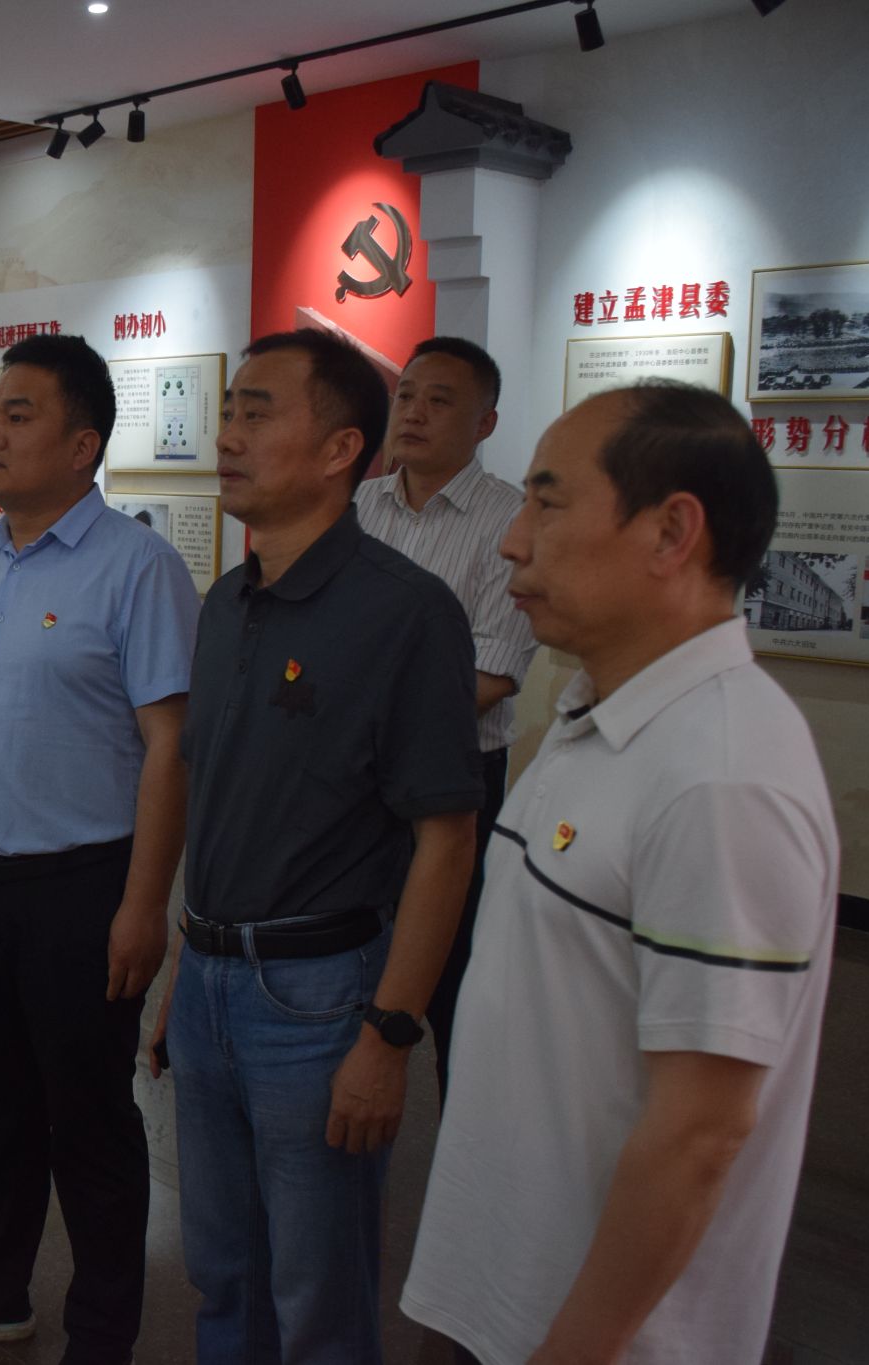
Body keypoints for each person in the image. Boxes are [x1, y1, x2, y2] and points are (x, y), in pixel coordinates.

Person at [401, 383, 839, 1365]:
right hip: (494, 1292)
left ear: (670, 531)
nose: (511, 541)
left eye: (547, 503)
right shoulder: (596, 714)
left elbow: (700, 1134)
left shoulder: (721, 776)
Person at [157, 329, 482, 1363]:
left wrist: (388, 1035)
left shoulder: (405, 613)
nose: (227, 436)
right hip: (209, 978)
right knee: (220, 1270)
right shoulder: (227, 602)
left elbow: (446, 839)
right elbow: (217, 801)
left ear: (342, 449)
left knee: (316, 1293)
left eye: (256, 414)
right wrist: (186, 965)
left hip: (317, 998)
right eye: (228, 412)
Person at [0, 333, 196, 1365]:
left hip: (80, 889)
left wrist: (143, 906)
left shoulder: (138, 568)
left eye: (17, 415)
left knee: (89, 1124)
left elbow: (169, 746)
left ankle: (102, 1329)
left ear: (82, 445)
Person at [354, 336, 539, 1098]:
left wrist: (357, 714)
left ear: (485, 423)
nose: (415, 413)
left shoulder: (511, 522)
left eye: (440, 401)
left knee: (456, 975)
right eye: (407, 396)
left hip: (453, 778)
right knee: (352, 952)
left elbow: (490, 677)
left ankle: (468, 1128)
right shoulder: (357, 506)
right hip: (353, 776)